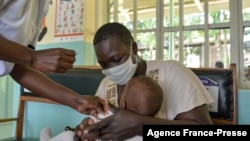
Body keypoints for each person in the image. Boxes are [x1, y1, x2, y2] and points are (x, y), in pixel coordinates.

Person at [75, 22, 215, 141]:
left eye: (117, 59)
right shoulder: (106, 84)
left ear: (134, 48)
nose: (112, 69)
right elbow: (100, 123)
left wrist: (142, 126)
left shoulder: (171, 72)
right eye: (104, 65)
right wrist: (88, 127)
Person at [0, 1, 108, 115]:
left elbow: (17, 66)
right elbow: (27, 58)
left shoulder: (42, 5)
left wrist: (76, 101)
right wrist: (33, 58)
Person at [40, 76, 163, 141]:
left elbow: (90, 123)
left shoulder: (108, 114)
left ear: (123, 103)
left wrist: (86, 128)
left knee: (67, 136)